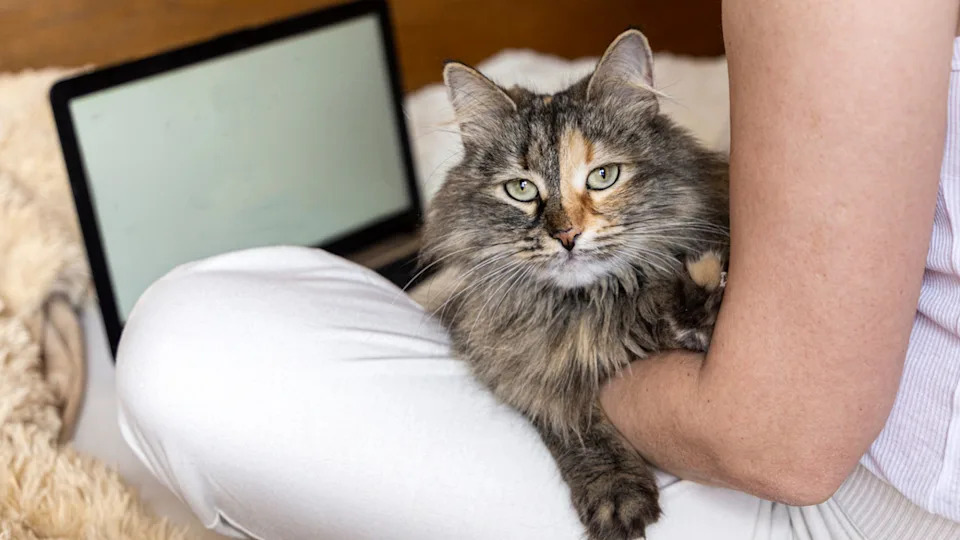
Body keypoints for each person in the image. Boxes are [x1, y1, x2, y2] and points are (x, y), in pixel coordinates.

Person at [116, 0, 960, 538]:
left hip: (848, 501)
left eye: (599, 179)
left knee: (186, 335)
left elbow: (781, 445)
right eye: (526, 191)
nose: (563, 228)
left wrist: (560, 396)